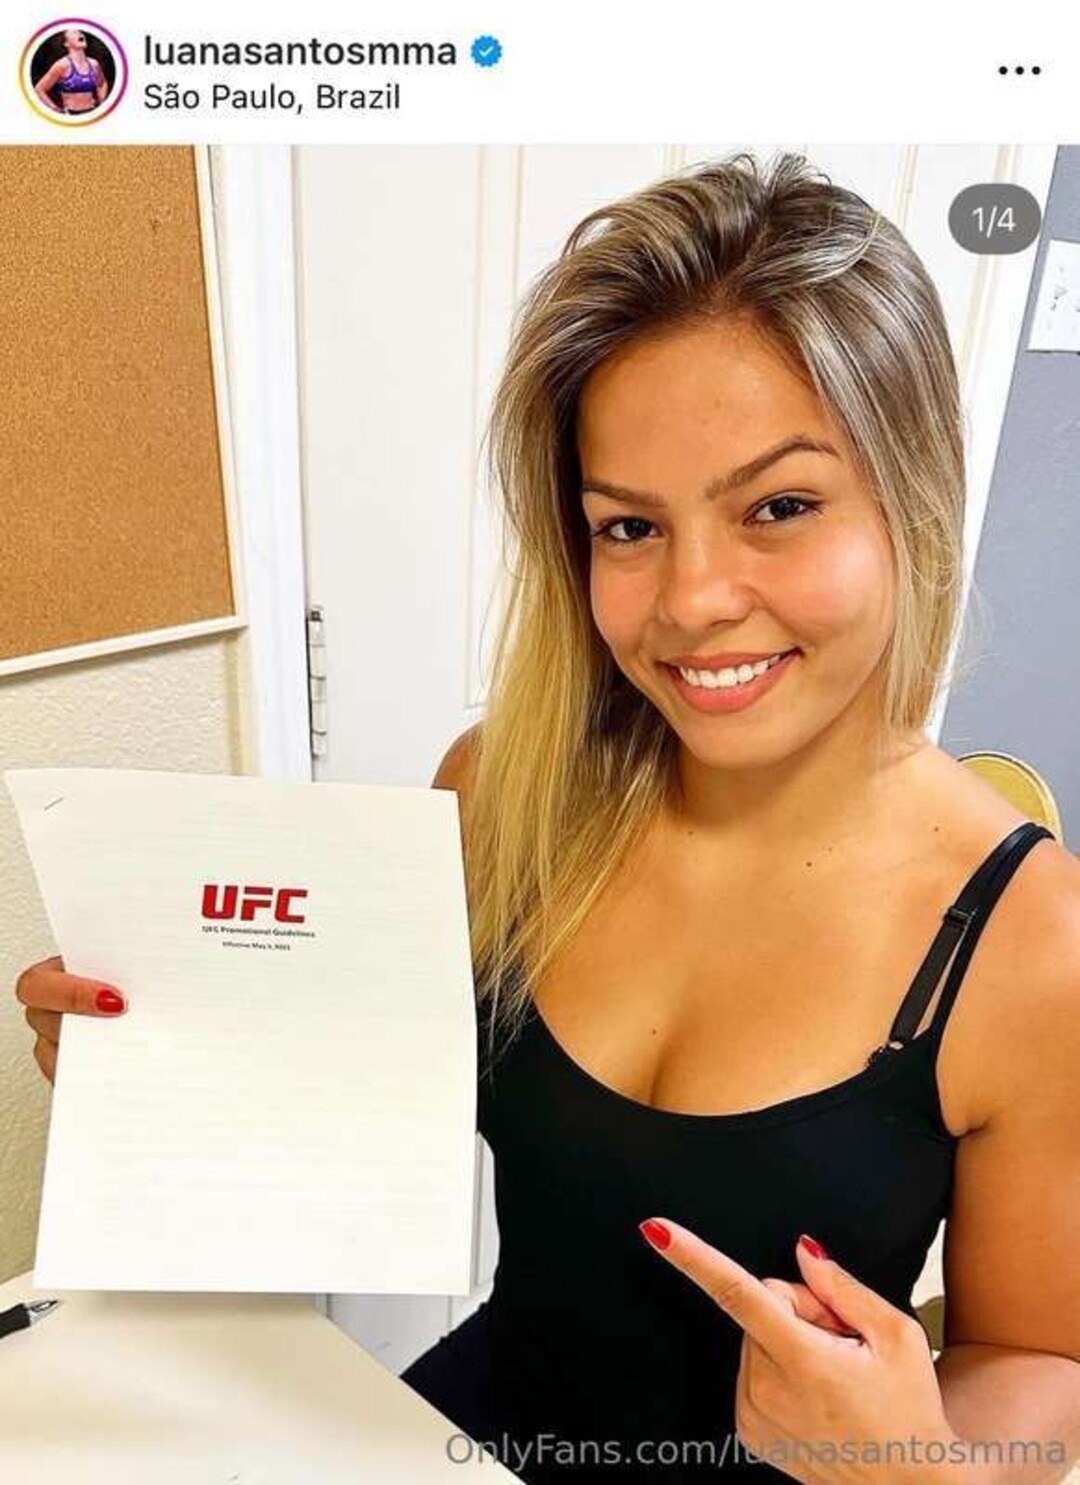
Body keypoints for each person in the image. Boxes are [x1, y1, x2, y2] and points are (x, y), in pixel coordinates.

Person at [15, 154, 1080, 1483]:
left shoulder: (1032, 939)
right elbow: (358, 1125)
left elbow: (1042, 1356)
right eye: (628, 528)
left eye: (780, 507)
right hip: (467, 1434)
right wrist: (158, 1071)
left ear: (911, 503)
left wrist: (927, 1462)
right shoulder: (502, 794)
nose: (692, 599)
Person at [34, 29, 109, 117]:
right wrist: (55, 109)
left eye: (80, 32)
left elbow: (102, 84)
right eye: (74, 32)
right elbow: (39, 89)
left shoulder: (94, 64)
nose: (80, 34)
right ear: (66, 44)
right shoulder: (62, 65)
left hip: (92, 112)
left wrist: (102, 103)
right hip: (71, 115)